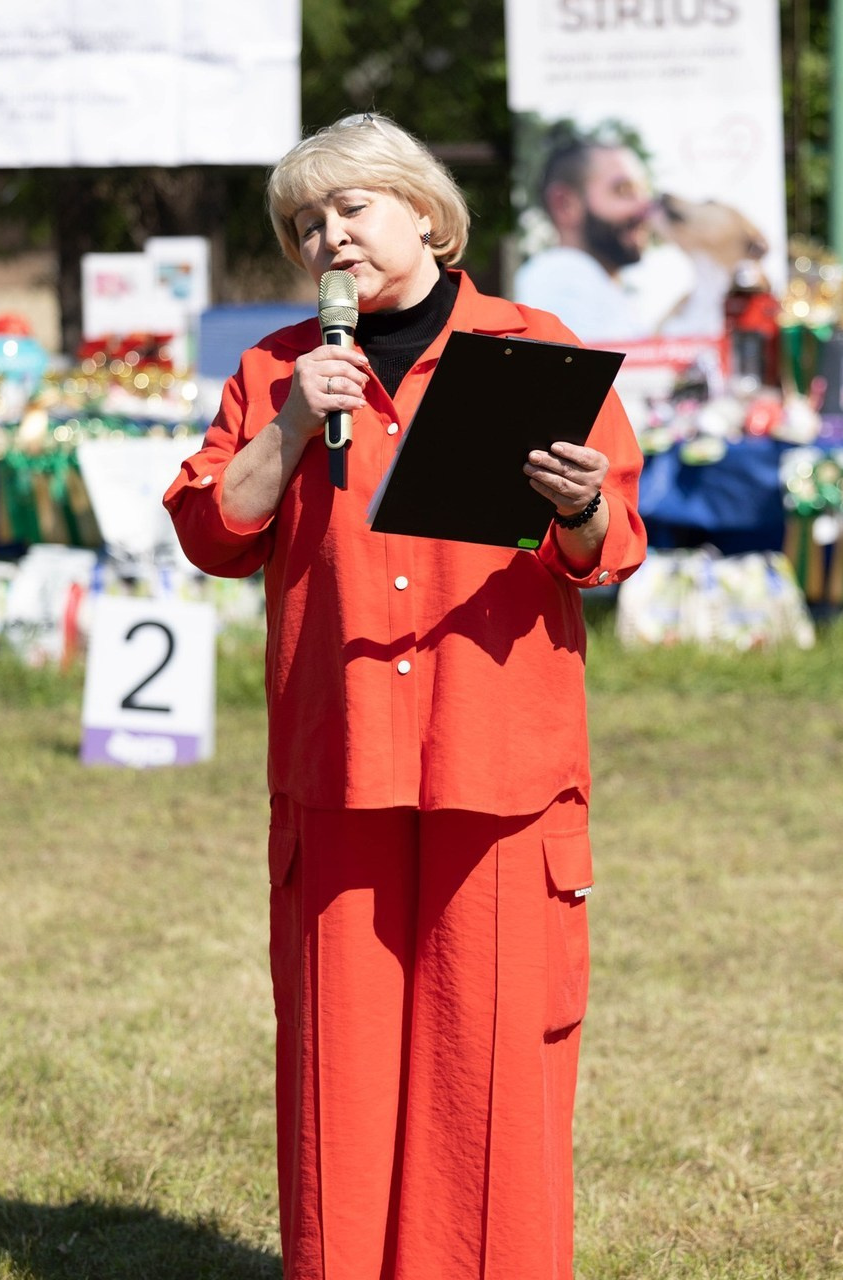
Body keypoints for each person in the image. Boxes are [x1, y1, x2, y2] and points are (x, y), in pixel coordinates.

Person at [163, 112, 646, 1280]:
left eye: (350, 209)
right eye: (304, 222)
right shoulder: (277, 367)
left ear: (422, 213)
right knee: (341, 1062)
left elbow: (612, 543)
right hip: (340, 765)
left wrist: (575, 504)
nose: (326, 237)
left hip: (499, 765)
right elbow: (211, 533)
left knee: (486, 1065)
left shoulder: (533, 346)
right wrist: (288, 421)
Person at [513, 134, 663, 341]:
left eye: (644, 192)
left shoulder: (603, 286)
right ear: (564, 204)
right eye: (623, 190)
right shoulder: (560, 275)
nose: (644, 207)